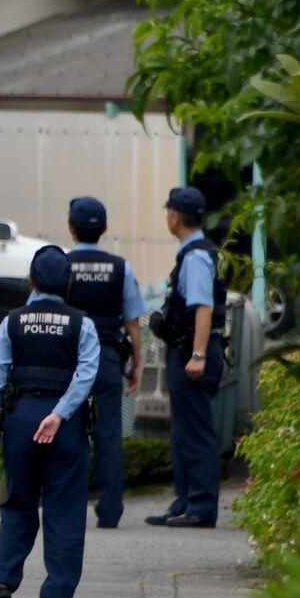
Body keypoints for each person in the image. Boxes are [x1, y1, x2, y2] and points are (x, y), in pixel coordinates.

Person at [0, 246, 100, 598]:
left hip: (21, 416)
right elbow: (86, 375)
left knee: (18, 501)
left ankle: (2, 579)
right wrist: (59, 414)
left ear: (31, 281)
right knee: (64, 509)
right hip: (65, 425)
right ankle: (55, 596)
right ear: (69, 282)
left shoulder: (12, 321)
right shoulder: (82, 324)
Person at [62, 197, 147, 529]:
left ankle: (69, 504)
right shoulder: (120, 267)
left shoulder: (61, 265)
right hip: (107, 358)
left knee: (68, 430)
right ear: (105, 229)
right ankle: (110, 511)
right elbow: (133, 323)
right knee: (108, 433)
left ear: (71, 228)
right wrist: (136, 365)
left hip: (67, 360)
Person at [146, 186, 226, 528]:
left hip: (193, 353)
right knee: (182, 431)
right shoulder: (194, 253)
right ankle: (184, 501)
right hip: (185, 350)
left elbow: (203, 307)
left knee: (196, 432)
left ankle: (201, 507)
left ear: (175, 217)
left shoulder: (195, 257)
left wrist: (197, 355)